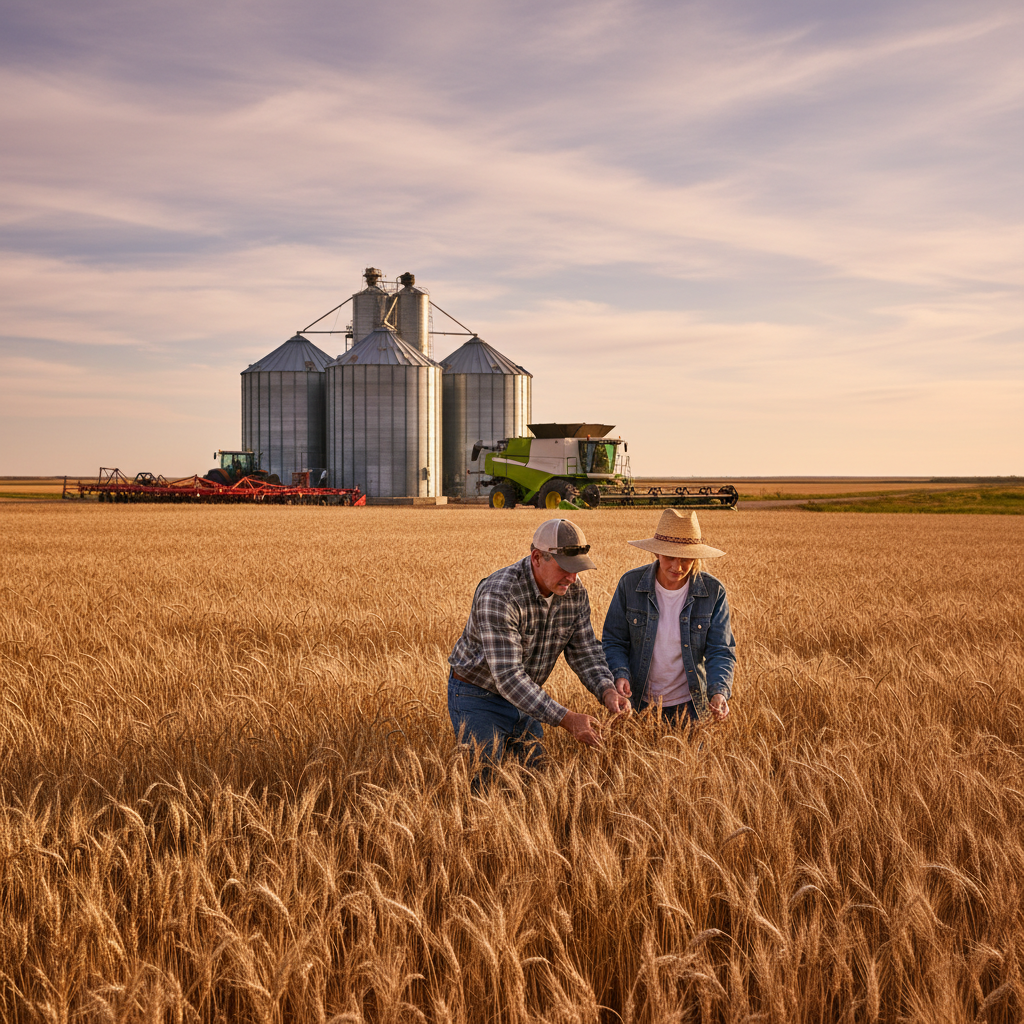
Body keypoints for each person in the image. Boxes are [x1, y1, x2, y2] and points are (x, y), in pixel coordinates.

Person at [448, 518, 630, 771]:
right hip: (478, 695)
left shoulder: (574, 593)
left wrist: (607, 690)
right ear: (536, 558)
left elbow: (585, 650)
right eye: (565, 567)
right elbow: (509, 677)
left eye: (578, 569)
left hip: (526, 696)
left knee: (538, 777)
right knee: (485, 778)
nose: (573, 578)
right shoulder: (500, 595)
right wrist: (567, 719)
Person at [602, 508, 735, 726]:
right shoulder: (630, 584)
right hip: (638, 702)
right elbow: (614, 640)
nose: (677, 566)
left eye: (686, 559)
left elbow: (720, 649)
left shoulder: (713, 592)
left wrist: (718, 691)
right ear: (656, 552)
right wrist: (620, 673)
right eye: (670, 557)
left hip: (691, 705)